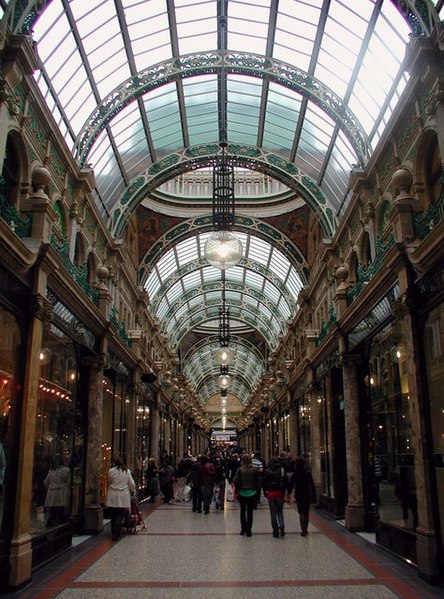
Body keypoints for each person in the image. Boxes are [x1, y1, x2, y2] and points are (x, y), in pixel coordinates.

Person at [105, 457, 136, 540]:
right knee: (120, 513)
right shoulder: (126, 471)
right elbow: (131, 484)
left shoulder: (111, 471)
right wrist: (133, 491)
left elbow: (109, 481)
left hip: (113, 494)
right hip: (123, 494)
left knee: (113, 513)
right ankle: (116, 530)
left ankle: (114, 531)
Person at [288, 457, 316, 537]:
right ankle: (306, 529)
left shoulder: (295, 474)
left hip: (299, 495)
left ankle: (303, 530)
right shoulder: (307, 473)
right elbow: (312, 485)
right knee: (306, 511)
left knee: (301, 512)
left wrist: (289, 494)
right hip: (306, 494)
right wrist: (314, 495)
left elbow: (291, 485)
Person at [233, 453, 260, 537]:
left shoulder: (240, 470)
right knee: (250, 512)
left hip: (242, 492)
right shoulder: (254, 470)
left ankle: (243, 528)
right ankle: (249, 530)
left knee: (242, 511)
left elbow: (235, 480)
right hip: (252, 492)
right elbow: (258, 482)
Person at [262, 456, 288, 538]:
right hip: (279, 493)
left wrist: (265, 493)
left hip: (271, 493)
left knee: (273, 513)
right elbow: (285, 482)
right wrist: (284, 492)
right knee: (280, 511)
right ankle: (282, 526)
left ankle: (275, 531)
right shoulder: (282, 470)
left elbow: (264, 484)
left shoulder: (267, 471)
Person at [44, 454, 70, 527]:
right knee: (59, 509)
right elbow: (68, 482)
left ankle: (52, 523)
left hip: (52, 493)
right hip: (61, 493)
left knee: (54, 509)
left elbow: (46, 482)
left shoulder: (51, 471)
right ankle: (56, 523)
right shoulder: (65, 470)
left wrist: (50, 488)